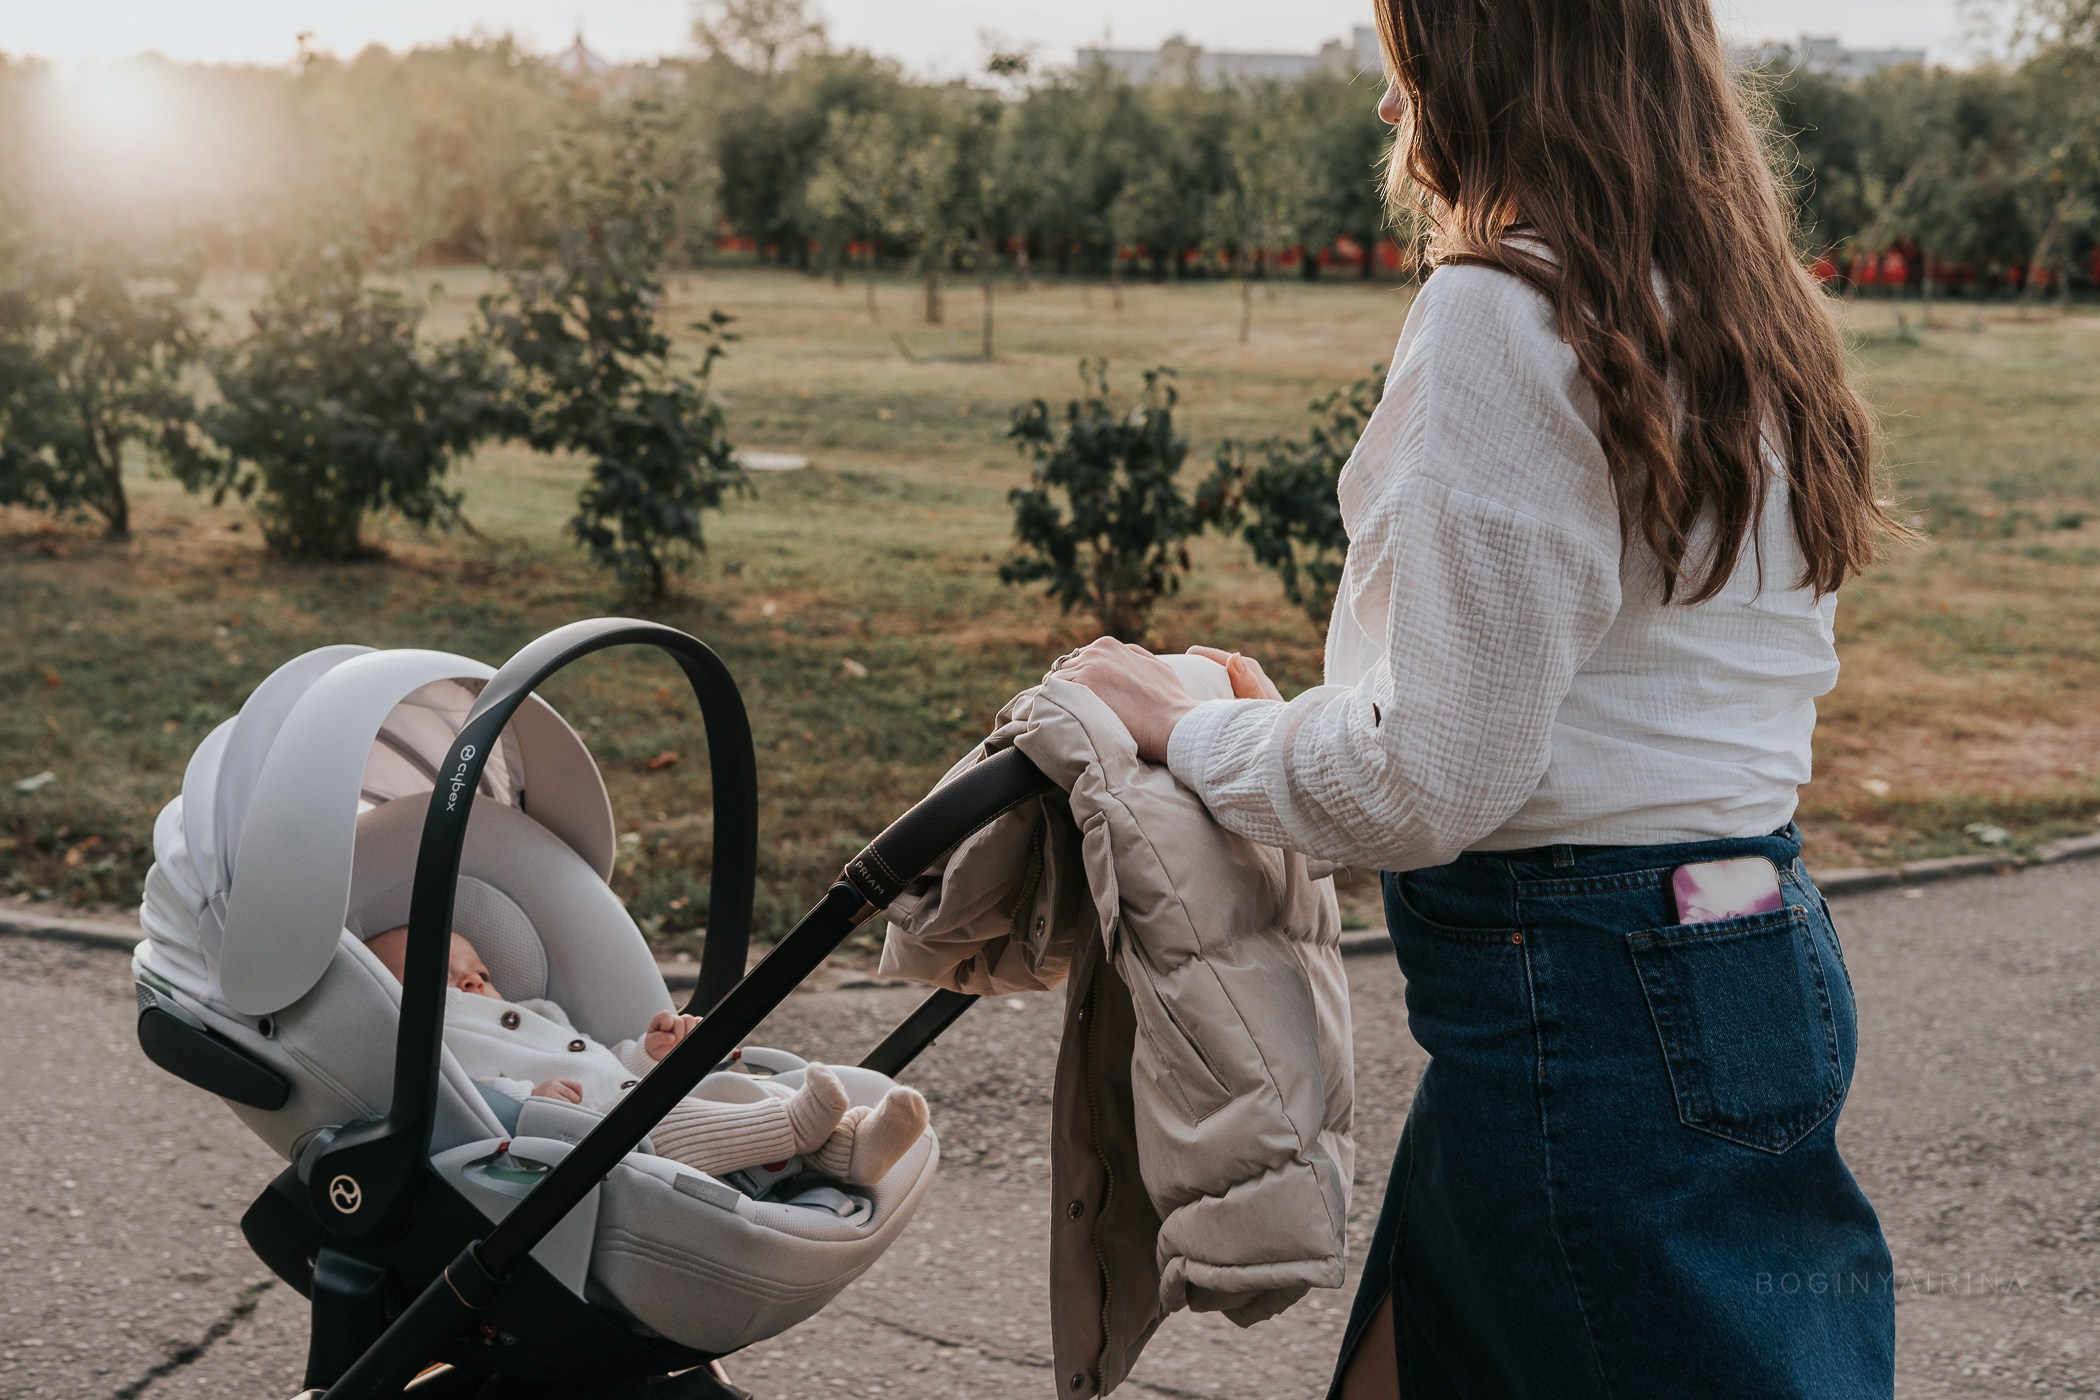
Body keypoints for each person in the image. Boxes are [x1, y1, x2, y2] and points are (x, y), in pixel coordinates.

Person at [1059, 0, 1908, 1395]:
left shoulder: (1503, 313)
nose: (1393, 110)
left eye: (1406, 63)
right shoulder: (1740, 312)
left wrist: (1181, 727)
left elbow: (1429, 779)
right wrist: (1290, 726)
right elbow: (1602, 685)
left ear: (1488, 63)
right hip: (1747, 941)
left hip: (1583, 994)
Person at [365, 927, 927, 1185]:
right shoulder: (439, 1043)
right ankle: (794, 1123)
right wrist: (525, 1101)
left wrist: (647, 1055)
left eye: (480, 973)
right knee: (689, 1117)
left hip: (630, 1101)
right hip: (590, 1140)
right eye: (442, 978)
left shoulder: (538, 1012)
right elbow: (466, 1097)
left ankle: (849, 1150)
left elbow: (602, 1063)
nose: (470, 983)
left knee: (730, 1091)